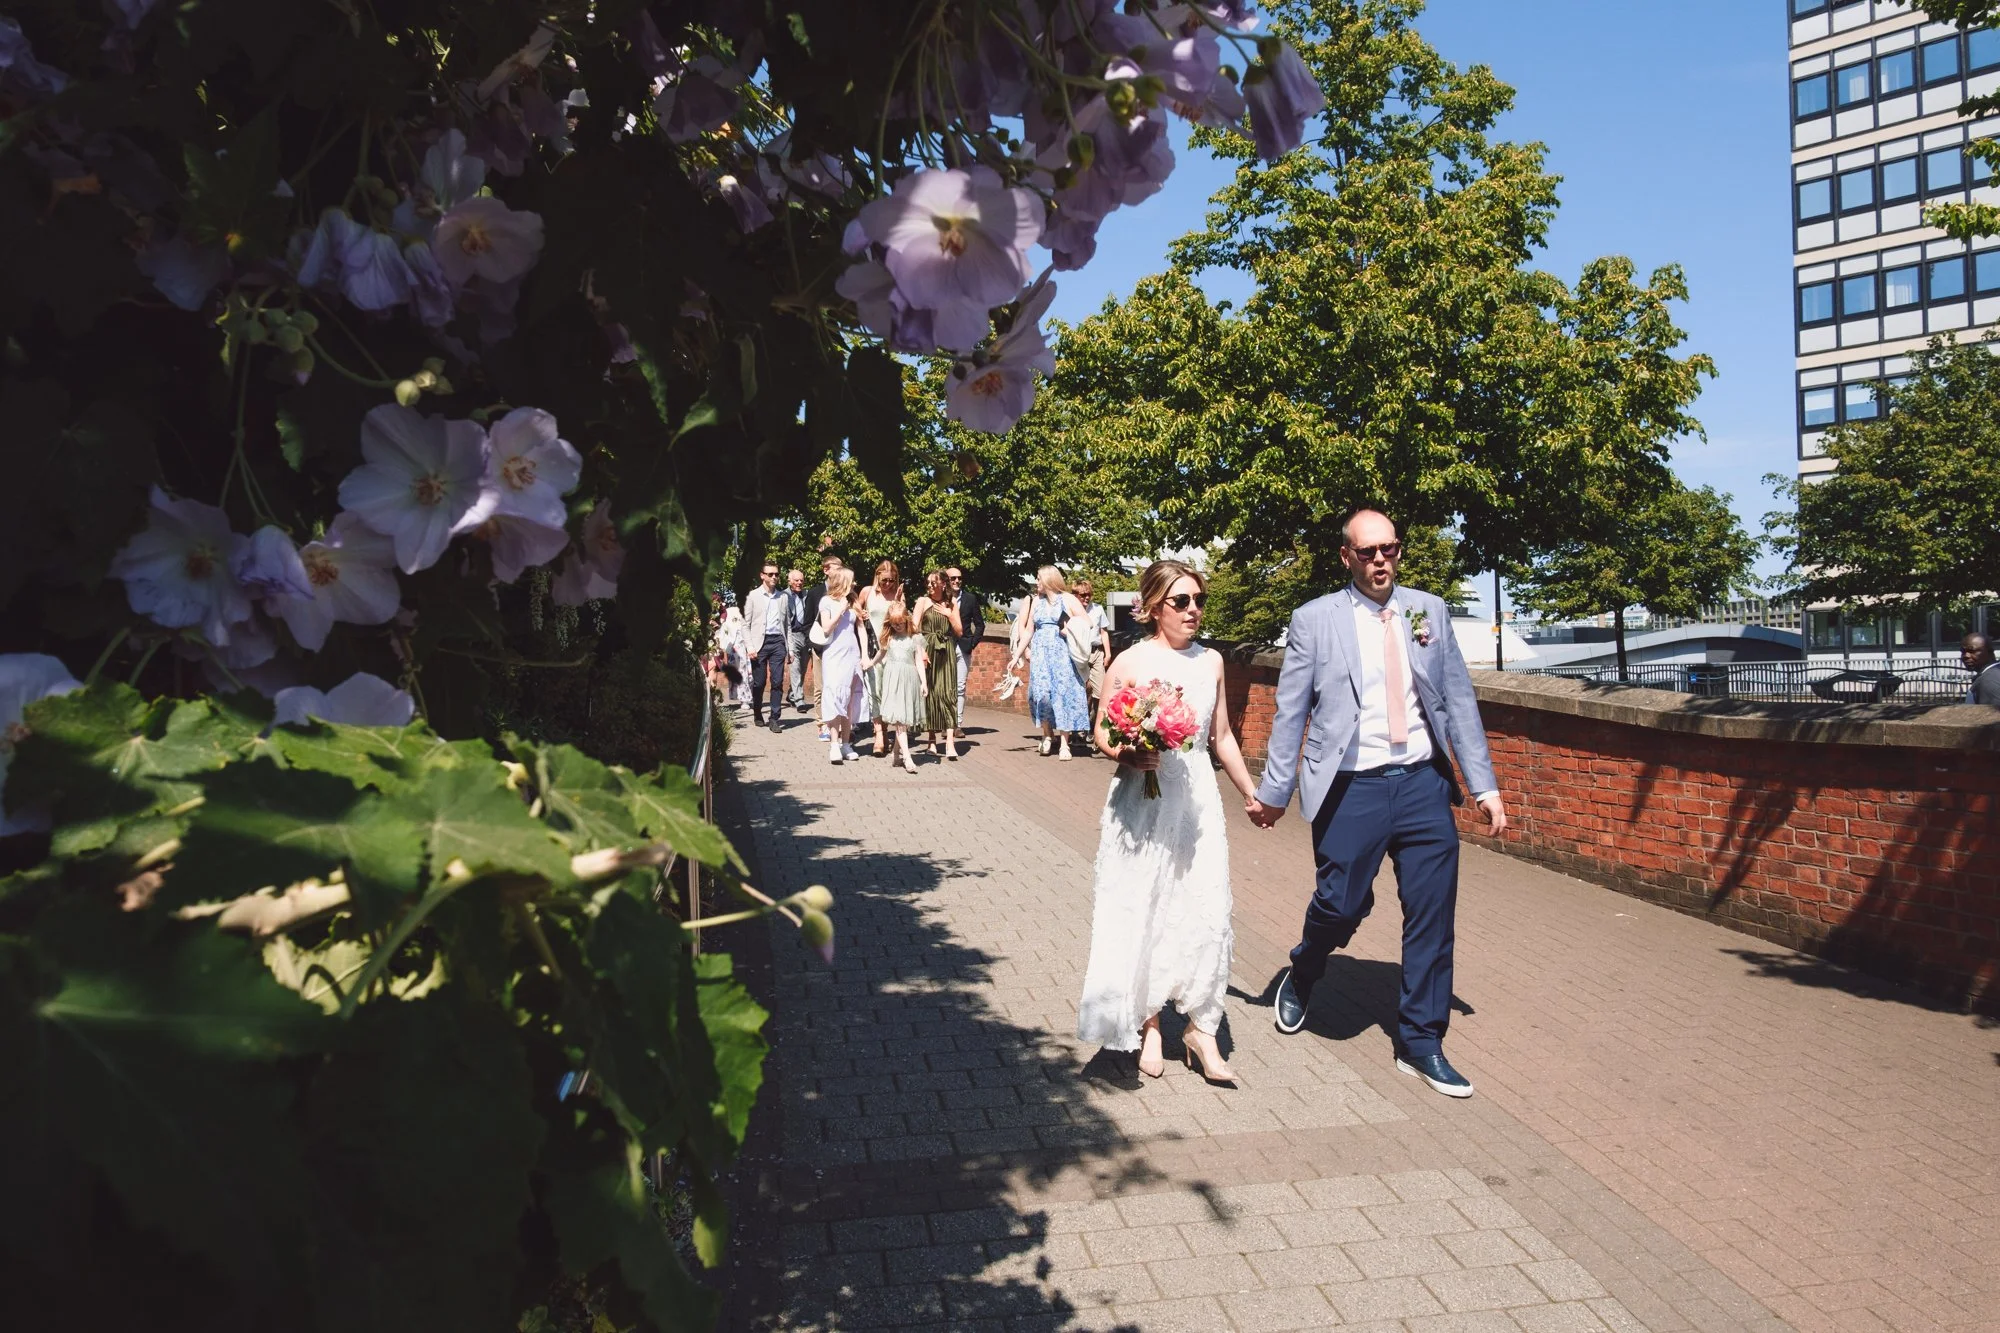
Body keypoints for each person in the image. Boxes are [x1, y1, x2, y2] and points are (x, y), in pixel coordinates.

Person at [1246, 509, 1507, 1100]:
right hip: (1350, 787)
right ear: (1347, 557)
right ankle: (1307, 966)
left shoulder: (1428, 610)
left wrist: (1485, 787)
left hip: (1422, 784)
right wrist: (1274, 793)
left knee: (1433, 914)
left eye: (1389, 548)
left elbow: (1458, 702)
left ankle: (1421, 1042)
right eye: (1368, 552)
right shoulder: (1315, 619)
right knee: (1340, 905)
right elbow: (1291, 712)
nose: (1381, 560)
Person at [1077, 560, 1261, 1084]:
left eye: (1199, 600)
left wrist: (1253, 794)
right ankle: (1150, 1022)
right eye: (1181, 601)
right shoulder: (1131, 661)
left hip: (1196, 799)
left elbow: (1221, 736)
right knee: (1145, 903)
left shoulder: (1212, 661)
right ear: (1155, 606)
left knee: (1204, 908)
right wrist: (1129, 753)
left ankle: (1202, 1029)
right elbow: (1103, 731)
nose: (1193, 610)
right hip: (1142, 799)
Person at [1013, 565, 1091, 759]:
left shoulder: (1068, 599)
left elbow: (1087, 622)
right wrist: (1017, 655)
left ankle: (1064, 743)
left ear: (1048, 580)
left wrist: (1068, 628)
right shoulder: (1036, 602)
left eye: (1039, 578)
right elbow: (1029, 631)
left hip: (1062, 654)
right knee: (1041, 695)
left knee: (1063, 695)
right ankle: (1047, 734)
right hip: (1041, 655)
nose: (1037, 582)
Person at [861, 604, 927, 773]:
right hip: (893, 680)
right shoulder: (889, 638)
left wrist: (924, 682)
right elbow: (881, 653)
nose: (897, 626)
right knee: (900, 721)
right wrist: (870, 663)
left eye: (900, 623)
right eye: (894, 623)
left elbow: (919, 660)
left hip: (909, 680)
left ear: (906, 620)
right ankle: (907, 757)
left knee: (903, 720)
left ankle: (896, 753)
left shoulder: (914, 638)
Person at [815, 566, 869, 764]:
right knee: (834, 698)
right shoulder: (826, 601)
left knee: (849, 701)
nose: (854, 583)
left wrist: (864, 655)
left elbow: (861, 629)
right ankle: (834, 744)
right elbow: (827, 628)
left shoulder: (854, 601)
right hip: (834, 656)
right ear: (842, 581)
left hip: (852, 655)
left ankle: (846, 743)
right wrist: (841, 610)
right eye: (851, 580)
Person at [857, 560, 904, 757]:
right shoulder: (867, 592)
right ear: (877, 576)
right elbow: (854, 614)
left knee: (888, 693)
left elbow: (902, 621)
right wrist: (860, 613)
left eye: (891, 580)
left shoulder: (897, 594)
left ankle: (885, 731)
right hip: (871, 648)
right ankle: (879, 734)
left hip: (891, 651)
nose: (888, 584)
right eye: (884, 580)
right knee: (874, 691)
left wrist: (899, 602)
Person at [915, 569, 963, 760]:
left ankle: (950, 742)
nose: (929, 585)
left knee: (948, 693)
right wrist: (921, 650)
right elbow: (914, 628)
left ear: (943, 584)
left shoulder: (951, 603)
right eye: (927, 582)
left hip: (947, 650)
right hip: (928, 649)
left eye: (933, 582)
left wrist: (949, 615)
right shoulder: (922, 601)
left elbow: (959, 631)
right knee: (931, 694)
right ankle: (931, 741)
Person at [740, 561, 788, 732]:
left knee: (777, 681)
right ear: (762, 576)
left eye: (776, 574)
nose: (774, 577)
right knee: (759, 682)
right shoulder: (752, 596)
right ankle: (757, 712)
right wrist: (750, 647)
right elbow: (745, 624)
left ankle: (774, 718)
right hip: (759, 644)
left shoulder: (783, 597)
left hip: (778, 642)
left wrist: (789, 649)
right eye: (770, 574)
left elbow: (787, 625)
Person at [802, 554, 842, 740]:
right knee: (820, 686)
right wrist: (813, 644)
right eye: (836, 568)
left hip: (839, 647)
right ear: (826, 570)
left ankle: (838, 722)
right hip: (820, 647)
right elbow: (807, 622)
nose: (840, 571)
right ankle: (822, 724)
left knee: (838, 686)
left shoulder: (843, 592)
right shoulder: (815, 593)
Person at [947, 566, 981, 737]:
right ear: (946, 580)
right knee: (946, 687)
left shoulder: (970, 599)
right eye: (953, 578)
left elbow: (980, 624)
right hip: (945, 647)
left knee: (960, 687)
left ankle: (957, 724)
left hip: (963, 647)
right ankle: (946, 723)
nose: (957, 581)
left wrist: (972, 643)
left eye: (959, 578)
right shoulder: (940, 598)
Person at [1072, 577, 1113, 713]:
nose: (1087, 597)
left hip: (1096, 652)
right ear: (1075, 595)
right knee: (1081, 689)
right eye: (1083, 595)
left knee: (1100, 691)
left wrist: (1108, 654)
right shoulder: (1071, 610)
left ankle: (1096, 720)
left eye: (1089, 594)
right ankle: (1081, 722)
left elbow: (1104, 632)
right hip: (1079, 653)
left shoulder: (1098, 609)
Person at [784, 568, 810, 714]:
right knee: (795, 667)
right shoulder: (783, 596)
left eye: (801, 580)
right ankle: (799, 700)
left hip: (805, 636)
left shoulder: (807, 595)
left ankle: (792, 694)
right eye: (796, 580)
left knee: (803, 668)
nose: (799, 583)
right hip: (792, 634)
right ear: (789, 581)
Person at [1964, 632, 2000, 704]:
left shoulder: (1989, 680)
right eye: (1963, 651)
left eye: (1972, 651)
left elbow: (1992, 711)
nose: (1966, 655)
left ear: (1990, 652)